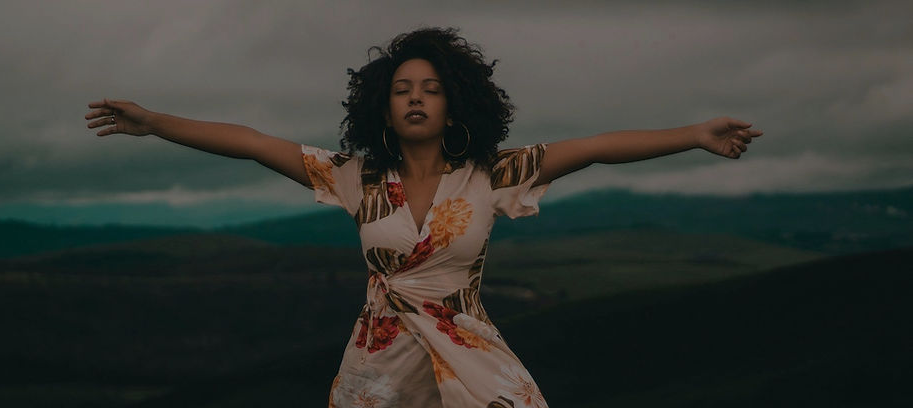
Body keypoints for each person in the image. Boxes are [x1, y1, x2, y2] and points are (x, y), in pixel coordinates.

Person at [85, 26, 762, 408]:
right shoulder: (357, 177)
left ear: (454, 104)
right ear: (381, 106)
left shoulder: (493, 173)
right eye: (402, 90)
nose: (416, 99)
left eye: (431, 90)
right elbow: (256, 144)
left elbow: (598, 148)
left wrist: (695, 132)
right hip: (378, 363)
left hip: (467, 352)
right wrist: (156, 124)